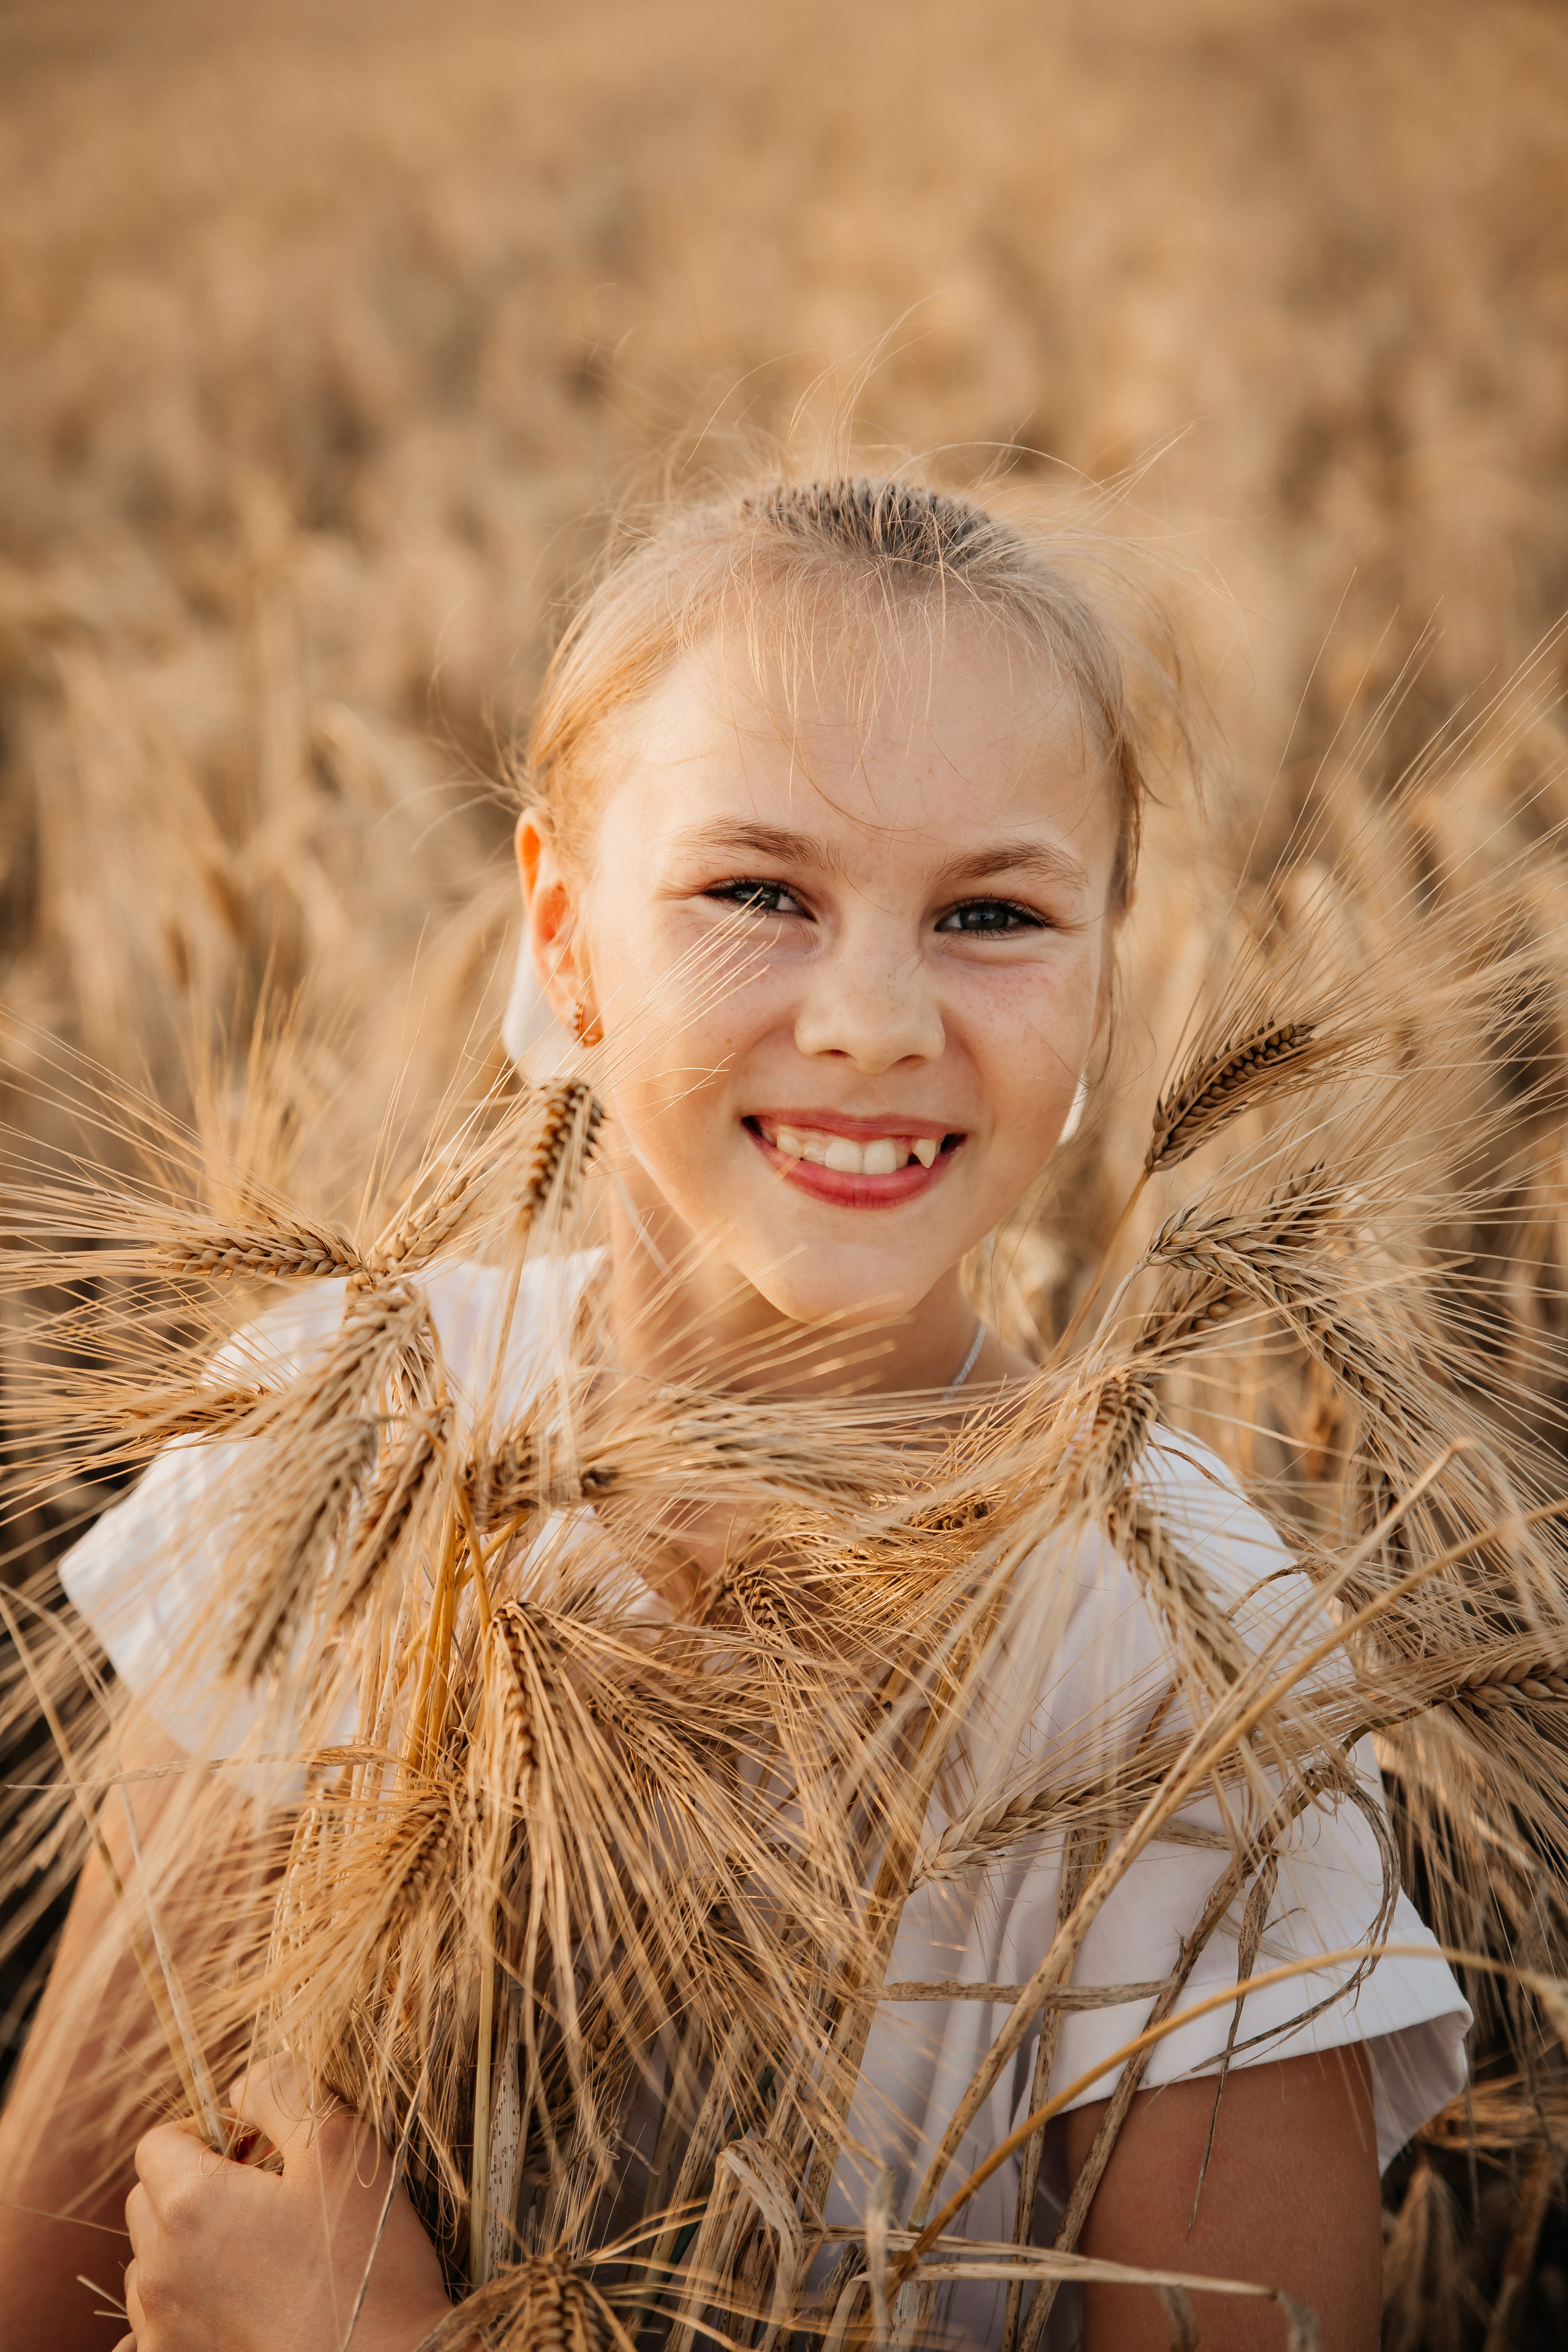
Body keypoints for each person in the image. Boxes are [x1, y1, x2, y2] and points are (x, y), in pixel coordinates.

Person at [0, 477, 1469, 2351]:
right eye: (757, 893)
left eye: (994, 914)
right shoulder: (343, 1449)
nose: (871, 1016)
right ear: (561, 935)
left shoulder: (1200, 1676)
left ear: (1107, 973)